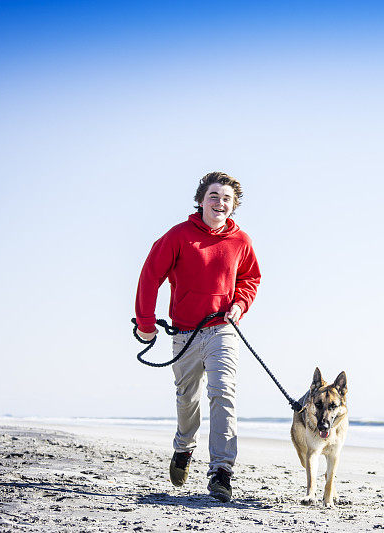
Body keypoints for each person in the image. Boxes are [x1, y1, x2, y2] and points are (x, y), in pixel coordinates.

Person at [134, 171, 261, 502]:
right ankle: (184, 446)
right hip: (185, 334)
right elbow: (150, 276)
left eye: (226, 199)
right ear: (202, 200)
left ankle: (222, 471)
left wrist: (240, 304)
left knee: (224, 393)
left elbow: (250, 279)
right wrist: (146, 323)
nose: (220, 202)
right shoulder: (178, 236)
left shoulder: (241, 241)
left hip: (222, 330)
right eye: (214, 196)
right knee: (187, 398)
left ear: (233, 207)